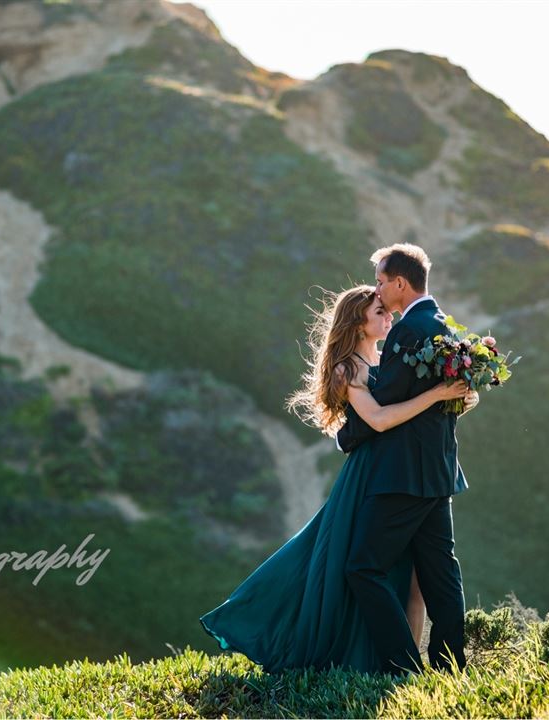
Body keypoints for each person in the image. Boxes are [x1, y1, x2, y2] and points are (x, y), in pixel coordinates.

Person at [198, 284, 475, 674]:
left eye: (386, 310)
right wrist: (436, 395)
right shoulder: (348, 369)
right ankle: (397, 665)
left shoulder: (391, 359)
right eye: (379, 312)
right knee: (341, 561)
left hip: (404, 472)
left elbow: (415, 414)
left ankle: (412, 667)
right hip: (370, 476)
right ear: (358, 323)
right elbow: (378, 419)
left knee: (413, 576)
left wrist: (459, 397)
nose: (388, 316)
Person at [338, 243, 475, 677]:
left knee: (362, 567)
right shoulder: (445, 327)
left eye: (381, 282)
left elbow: (385, 400)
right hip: (439, 471)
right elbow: (443, 400)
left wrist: (348, 433)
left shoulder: (408, 331)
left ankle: (402, 666)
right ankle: (451, 668)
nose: (378, 290)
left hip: (403, 475)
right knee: (440, 573)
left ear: (400, 283)